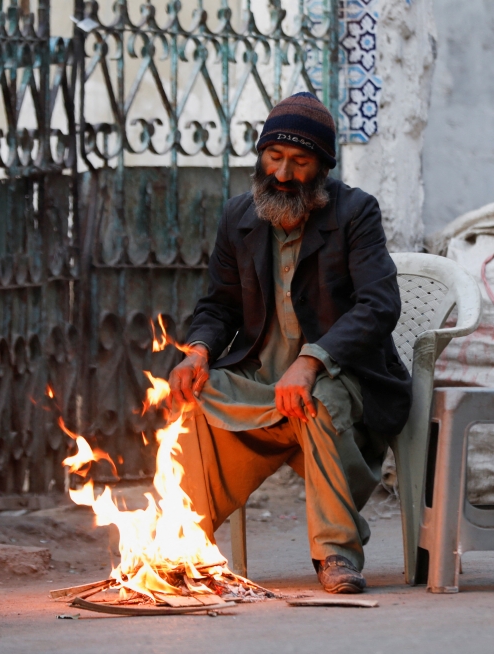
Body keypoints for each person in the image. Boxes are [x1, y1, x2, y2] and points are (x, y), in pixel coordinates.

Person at [168, 92, 411, 594]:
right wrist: (198, 352)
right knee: (194, 400)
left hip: (342, 378)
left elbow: (379, 304)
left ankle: (336, 555)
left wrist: (312, 359)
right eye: (274, 157)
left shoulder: (356, 213)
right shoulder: (239, 217)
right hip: (261, 380)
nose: (282, 173)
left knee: (314, 403)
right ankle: (184, 544)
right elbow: (218, 306)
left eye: (299, 162)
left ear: (322, 167)